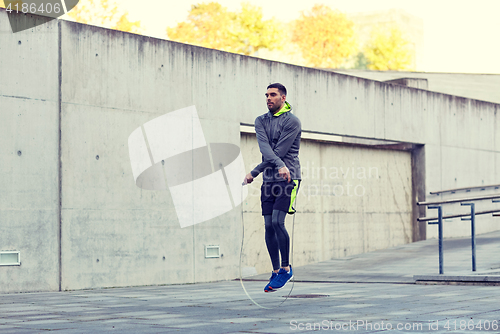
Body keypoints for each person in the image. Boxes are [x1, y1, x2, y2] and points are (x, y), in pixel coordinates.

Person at [243, 83, 301, 293]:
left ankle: (286, 268)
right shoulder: (260, 121)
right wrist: (262, 172)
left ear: (283, 98)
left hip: (288, 178)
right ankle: (276, 270)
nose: (268, 98)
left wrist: (254, 171)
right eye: (266, 95)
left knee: (278, 221)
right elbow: (266, 149)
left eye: (273, 95)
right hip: (269, 180)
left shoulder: (292, 122)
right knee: (268, 225)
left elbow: (280, 150)